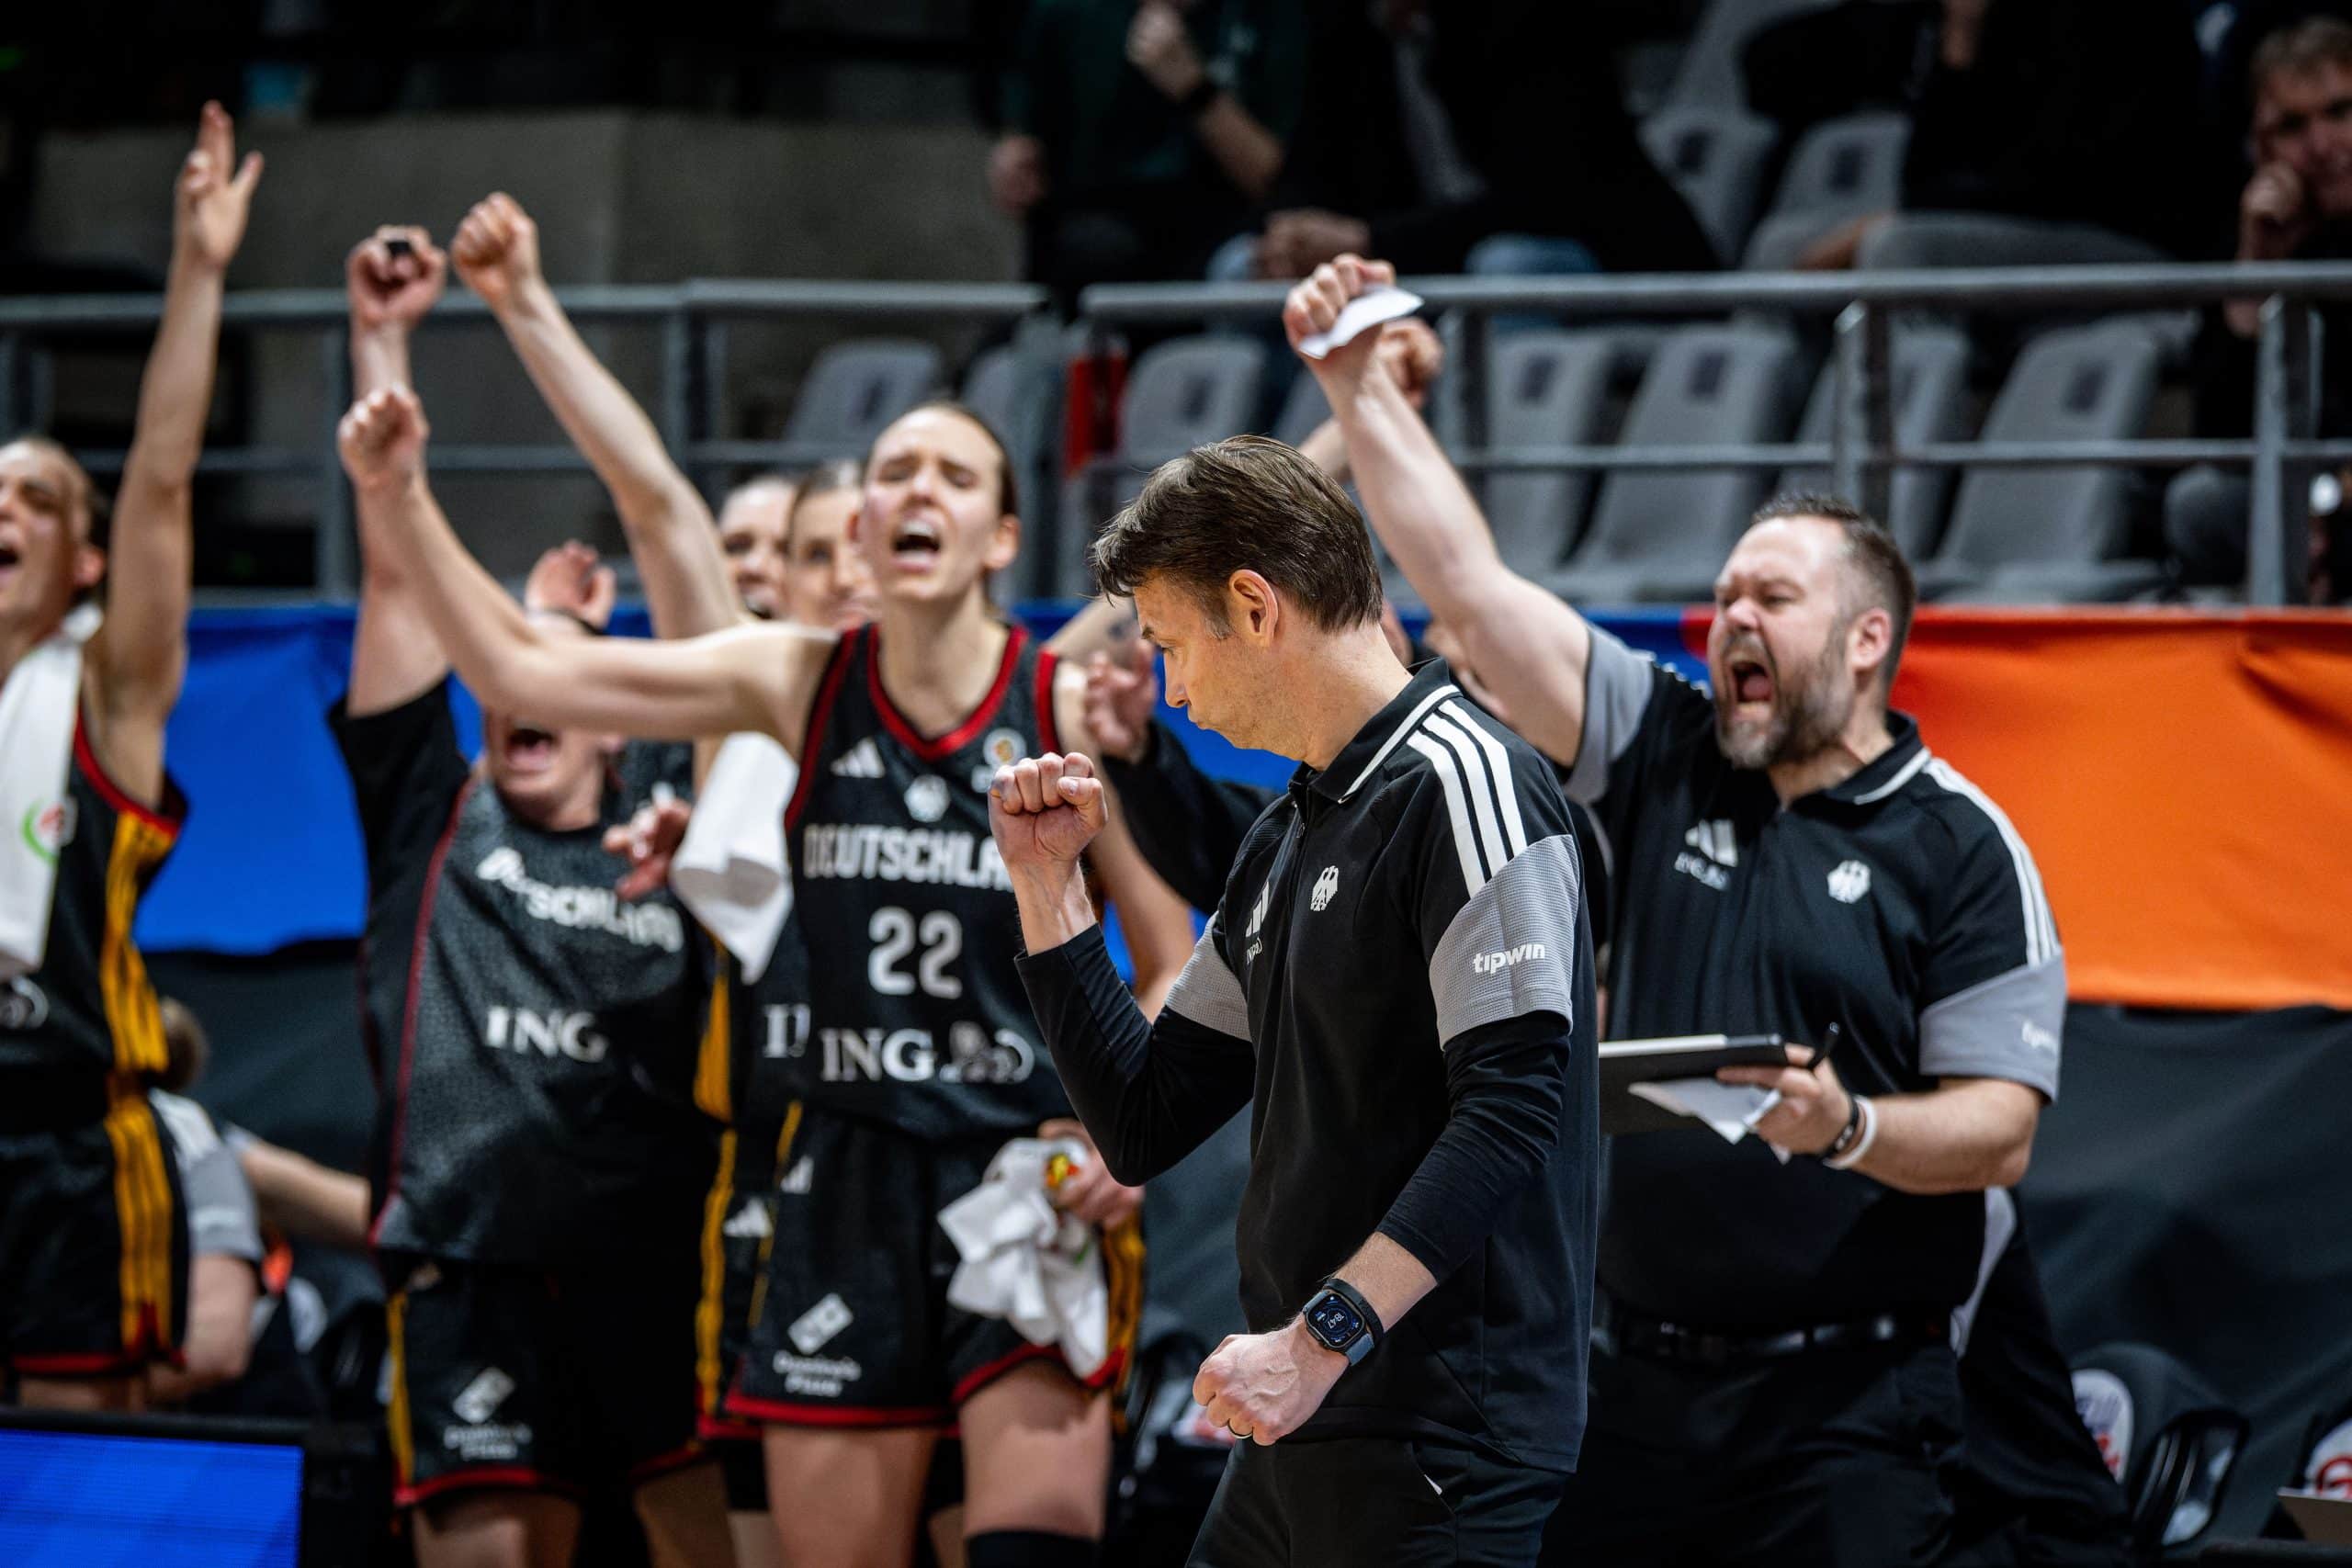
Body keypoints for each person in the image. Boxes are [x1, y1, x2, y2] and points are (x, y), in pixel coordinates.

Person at [337, 362, 1195, 1568]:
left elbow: (1174, 957)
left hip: (1022, 1163)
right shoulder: (799, 677)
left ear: (1002, 532)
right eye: (895, 468)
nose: (918, 488)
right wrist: (400, 493)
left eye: (953, 473)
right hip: (836, 1171)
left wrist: (1131, 1125)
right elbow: (532, 675)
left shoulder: (1057, 697)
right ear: (861, 527)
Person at [1287, 254, 2073, 1567]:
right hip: (1637, 1388)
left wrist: (1851, 1125)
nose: (1730, 622)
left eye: (1772, 599)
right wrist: (1357, 383)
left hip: (1849, 1406)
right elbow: (1475, 597)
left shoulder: (1962, 844)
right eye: (1724, 599)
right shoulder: (1667, 741)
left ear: (1868, 638)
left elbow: (2001, 1133)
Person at [992, 433, 1600, 1563]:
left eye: (1172, 645)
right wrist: (1046, 885)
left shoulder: (1466, 783)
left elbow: (1515, 1107)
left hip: (1433, 1424)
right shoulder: (1290, 827)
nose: (1171, 688)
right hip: (1304, 1419)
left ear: (1255, 607)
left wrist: (1322, 1337)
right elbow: (1143, 1116)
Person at [334, 222, 732, 1568]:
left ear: (618, 715)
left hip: (660, 1267)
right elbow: (395, 573)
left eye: (558, 666)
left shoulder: (679, 816)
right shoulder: (430, 811)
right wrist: (383, 345)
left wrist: (524, 300)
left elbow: (673, 530)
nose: (522, 688)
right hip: (471, 1260)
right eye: (501, 664)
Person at [0, 104, 258, 1412]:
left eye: (36, 497)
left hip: (61, 1138)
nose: (3, 508)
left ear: (82, 562)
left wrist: (198, 271)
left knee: (62, 1462)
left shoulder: (101, 693)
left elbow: (159, 481)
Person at [1246, 0, 1713, 279]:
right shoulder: (1352, 30)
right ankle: (1276, 446)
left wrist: (1371, 240)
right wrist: (1290, 235)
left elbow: (1541, 198)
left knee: (1505, 267)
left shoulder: (1525, 19)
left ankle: (1508, 443)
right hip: (1420, 255)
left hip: (1602, 253)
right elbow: (1308, 166)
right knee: (1242, 268)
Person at [2175, 14, 2352, 594]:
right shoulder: (2254, 240)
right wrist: (2259, 265)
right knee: (2198, 505)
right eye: (2293, 127)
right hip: (2308, 491)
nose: (2324, 144)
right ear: (2259, 148)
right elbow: (2222, 439)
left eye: (2341, 111)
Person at [992, 0, 1307, 302]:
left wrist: (1194, 88)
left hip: (1219, 250)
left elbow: (1278, 183)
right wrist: (1015, 163)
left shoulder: (1267, 14)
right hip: (1089, 250)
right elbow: (1022, 134)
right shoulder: (1067, 12)